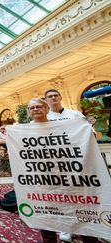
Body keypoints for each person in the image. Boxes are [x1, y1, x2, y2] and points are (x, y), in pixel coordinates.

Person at [27, 98, 98, 243]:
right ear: (28, 112)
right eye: (32, 108)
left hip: (70, 175)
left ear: (47, 109)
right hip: (43, 180)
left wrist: (87, 128)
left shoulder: (63, 124)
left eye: (39, 106)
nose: (35, 109)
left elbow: (85, 138)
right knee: (47, 217)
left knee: (81, 211)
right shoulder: (23, 130)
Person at [44, 89, 96, 242]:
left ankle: (84, 226)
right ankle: (65, 229)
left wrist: (90, 126)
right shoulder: (44, 117)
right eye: (50, 96)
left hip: (76, 161)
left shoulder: (76, 115)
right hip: (55, 164)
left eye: (55, 95)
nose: (53, 98)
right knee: (61, 197)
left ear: (60, 97)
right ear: (46, 100)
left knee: (79, 196)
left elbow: (90, 135)